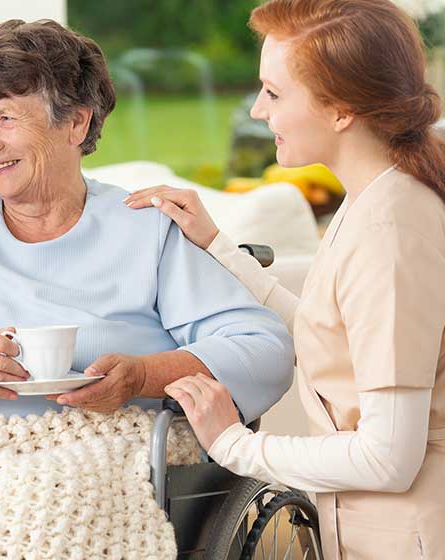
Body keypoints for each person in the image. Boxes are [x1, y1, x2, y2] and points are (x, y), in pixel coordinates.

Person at [0, 19, 294, 425]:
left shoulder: (145, 227)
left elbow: (263, 349)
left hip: (99, 460)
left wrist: (143, 376)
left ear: (76, 123)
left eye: (4, 119)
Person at [124, 1, 445, 557]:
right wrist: (216, 244)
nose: (255, 110)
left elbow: (389, 458)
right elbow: (332, 334)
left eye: (273, 93)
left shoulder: (389, 234)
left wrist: (236, 445)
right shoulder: (375, 199)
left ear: (341, 109)